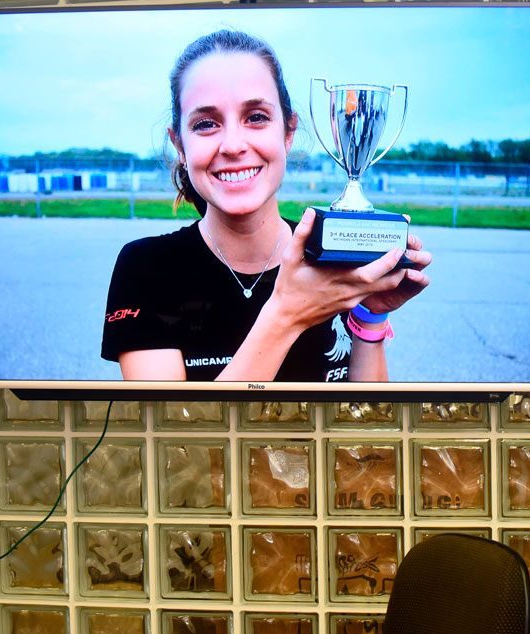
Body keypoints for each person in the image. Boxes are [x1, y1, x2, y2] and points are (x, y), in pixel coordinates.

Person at [101, 30, 431, 382]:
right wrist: (286, 314)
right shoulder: (147, 268)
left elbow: (367, 428)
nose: (232, 145)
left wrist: (369, 317)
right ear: (179, 145)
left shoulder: (331, 256)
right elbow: (175, 432)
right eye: (206, 124)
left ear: (288, 132)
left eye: (256, 117)